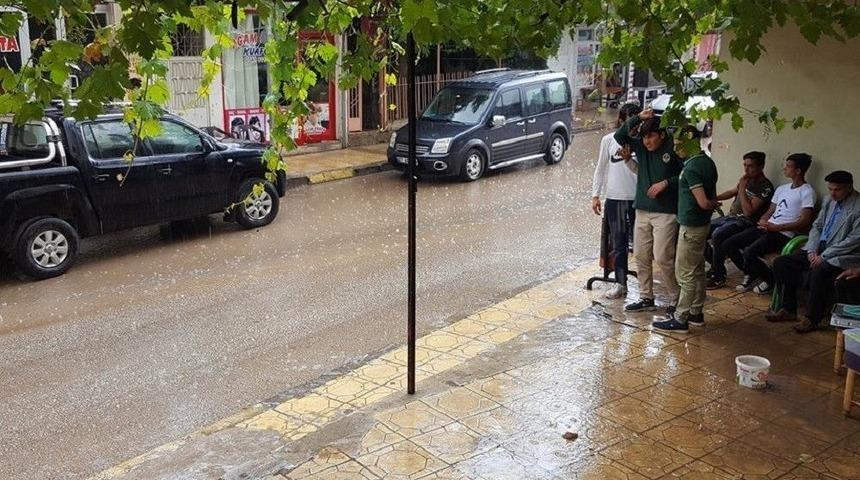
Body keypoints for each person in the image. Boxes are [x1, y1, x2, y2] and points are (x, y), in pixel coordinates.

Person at [767, 171, 860, 333]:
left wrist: (824, 256)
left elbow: (853, 240)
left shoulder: (857, 207)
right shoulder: (829, 201)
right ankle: (788, 309)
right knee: (782, 263)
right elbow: (817, 226)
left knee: (820, 271)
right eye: (830, 189)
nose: (832, 193)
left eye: (837, 190)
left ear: (849, 188)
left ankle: (812, 318)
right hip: (818, 248)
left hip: (842, 254)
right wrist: (811, 249)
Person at [614, 108, 684, 312]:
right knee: (641, 255)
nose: (647, 141)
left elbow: (686, 175)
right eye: (644, 137)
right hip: (642, 210)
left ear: (662, 135)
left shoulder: (674, 147)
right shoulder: (642, 148)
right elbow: (620, 136)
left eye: (651, 136)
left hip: (666, 212)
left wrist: (666, 183)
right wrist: (638, 118)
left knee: (662, 257)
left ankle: (676, 297)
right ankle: (646, 297)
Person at [653, 126, 720, 332]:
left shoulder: (691, 168)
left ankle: (681, 318)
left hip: (691, 227)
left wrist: (712, 204)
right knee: (697, 270)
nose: (675, 148)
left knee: (685, 275)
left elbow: (702, 201)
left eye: (678, 144)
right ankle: (696, 312)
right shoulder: (708, 162)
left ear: (691, 140)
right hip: (701, 225)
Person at [720, 153, 816, 294]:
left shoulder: (807, 191)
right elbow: (770, 211)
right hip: (767, 228)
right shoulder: (782, 189)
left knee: (749, 252)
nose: (784, 168)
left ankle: (770, 279)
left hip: (783, 233)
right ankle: (753, 273)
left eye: (788, 166)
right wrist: (764, 220)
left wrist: (778, 227)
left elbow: (805, 221)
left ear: (798, 171)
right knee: (729, 244)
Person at [591, 102, 642, 299]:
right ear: (621, 120)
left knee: (642, 244)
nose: (633, 128)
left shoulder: (644, 142)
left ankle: (645, 290)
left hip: (639, 200)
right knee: (619, 243)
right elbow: (600, 168)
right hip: (615, 198)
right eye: (630, 123)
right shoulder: (608, 141)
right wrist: (596, 195)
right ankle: (621, 283)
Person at [705, 151, 774, 289]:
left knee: (718, 235)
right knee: (701, 231)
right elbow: (731, 192)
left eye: (750, 166)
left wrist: (742, 188)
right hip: (729, 218)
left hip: (745, 222)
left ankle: (718, 276)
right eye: (745, 165)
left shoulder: (765, 187)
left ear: (761, 167)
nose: (746, 169)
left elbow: (749, 212)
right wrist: (713, 199)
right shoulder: (746, 180)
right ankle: (716, 266)